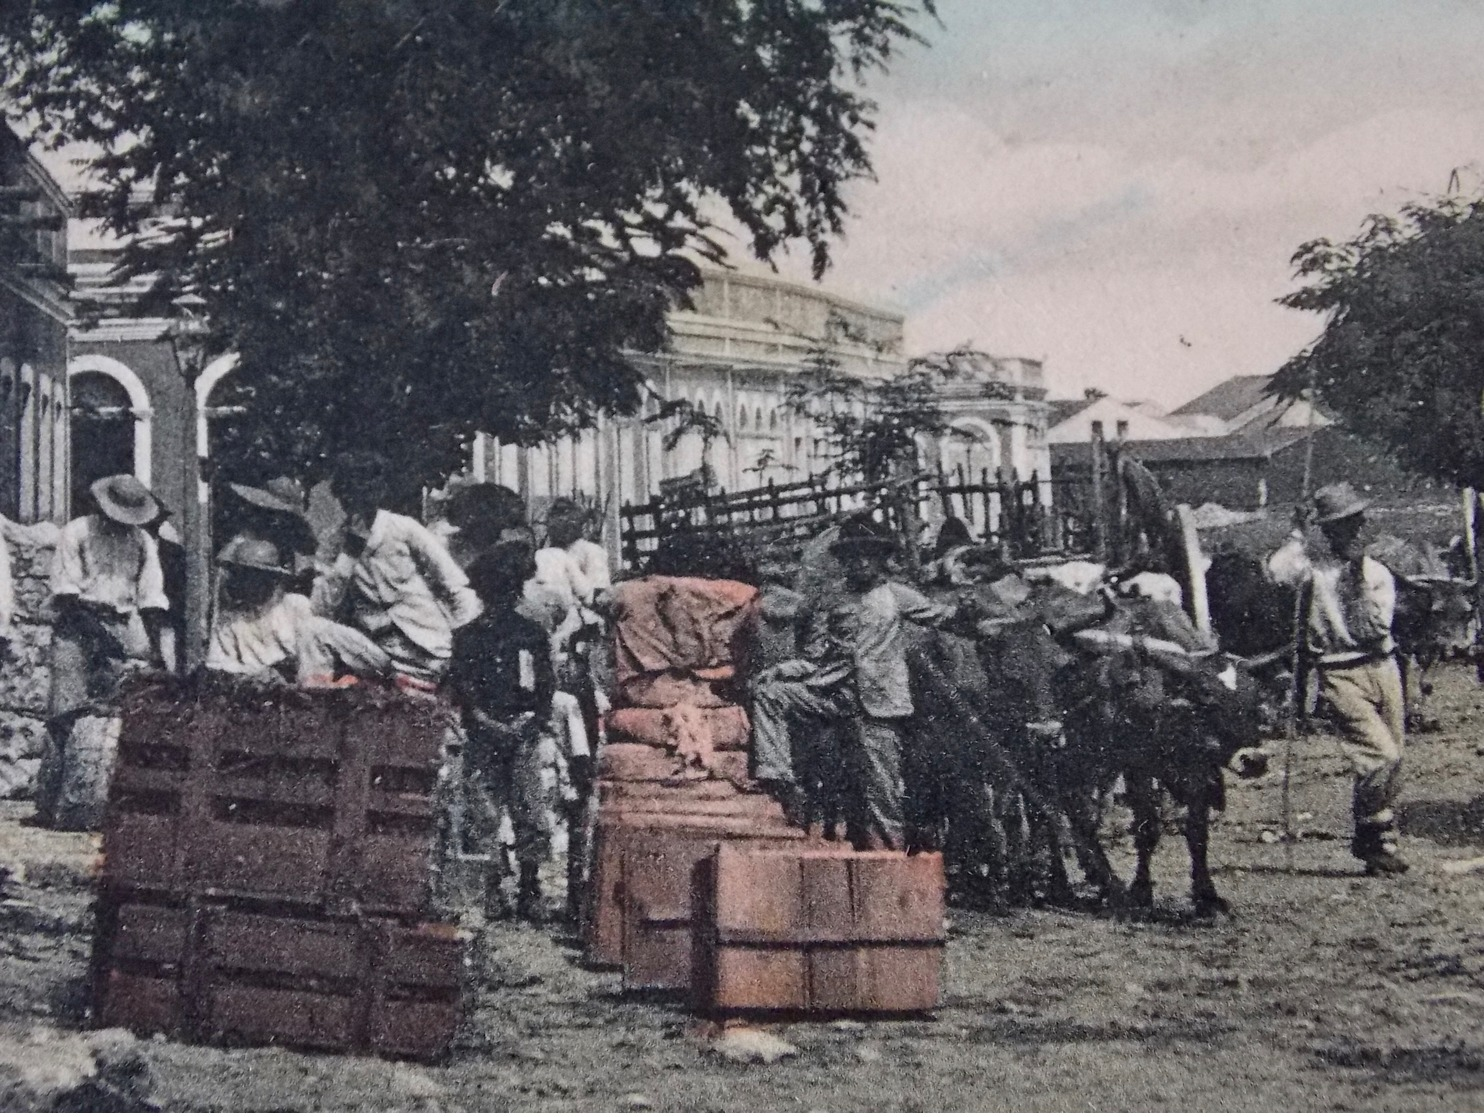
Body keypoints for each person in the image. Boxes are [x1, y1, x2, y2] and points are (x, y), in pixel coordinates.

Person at [1268, 481, 1408, 875]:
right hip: (1339, 670)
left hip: (1383, 666)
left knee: (1396, 758)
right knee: (1382, 756)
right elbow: (1277, 572)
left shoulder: (1377, 573)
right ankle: (1371, 834)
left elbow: (1377, 626)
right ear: (1327, 529)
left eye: (1356, 523)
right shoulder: (1311, 573)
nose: (1352, 531)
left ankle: (1378, 838)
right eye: (1342, 525)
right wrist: (1297, 533)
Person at [38, 475, 169, 826]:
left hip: (121, 623)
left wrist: (154, 650)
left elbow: (151, 599)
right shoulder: (76, 532)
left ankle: (96, 802)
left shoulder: (142, 541)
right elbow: (66, 593)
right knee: (65, 712)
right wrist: (100, 637)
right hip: (76, 623)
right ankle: (50, 805)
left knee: (115, 714)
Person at [446, 540, 556, 923]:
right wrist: (486, 722)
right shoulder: (467, 637)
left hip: (523, 735)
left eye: (510, 592)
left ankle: (530, 887)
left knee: (531, 812)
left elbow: (545, 688)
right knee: (484, 813)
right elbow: (463, 691)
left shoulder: (532, 634)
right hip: (483, 735)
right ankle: (490, 887)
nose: (504, 600)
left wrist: (531, 721)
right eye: (497, 593)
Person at [318, 452, 481, 689]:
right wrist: (348, 556)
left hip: (427, 651)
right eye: (348, 490)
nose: (356, 498)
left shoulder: (404, 529)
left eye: (366, 490)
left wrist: (464, 650)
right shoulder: (335, 541)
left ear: (379, 492)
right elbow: (320, 610)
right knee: (312, 630)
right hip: (377, 652)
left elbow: (456, 586)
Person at [207, 537, 391, 686]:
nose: (249, 582)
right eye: (244, 575)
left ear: (273, 578)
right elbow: (217, 664)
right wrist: (256, 674)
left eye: (257, 576)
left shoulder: (295, 606)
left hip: (308, 681)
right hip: (264, 691)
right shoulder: (230, 620)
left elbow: (319, 647)